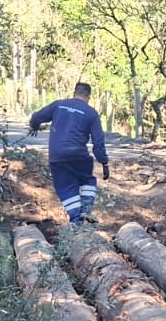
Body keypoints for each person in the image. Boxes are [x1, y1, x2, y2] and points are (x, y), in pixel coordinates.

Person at [29, 82, 108, 224]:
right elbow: (98, 141)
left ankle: (76, 221)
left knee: (66, 187)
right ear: (88, 97)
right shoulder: (91, 113)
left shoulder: (58, 105)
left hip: (57, 156)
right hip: (79, 155)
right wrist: (104, 162)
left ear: (74, 93)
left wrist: (34, 127)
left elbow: (36, 118)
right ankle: (86, 209)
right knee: (87, 180)